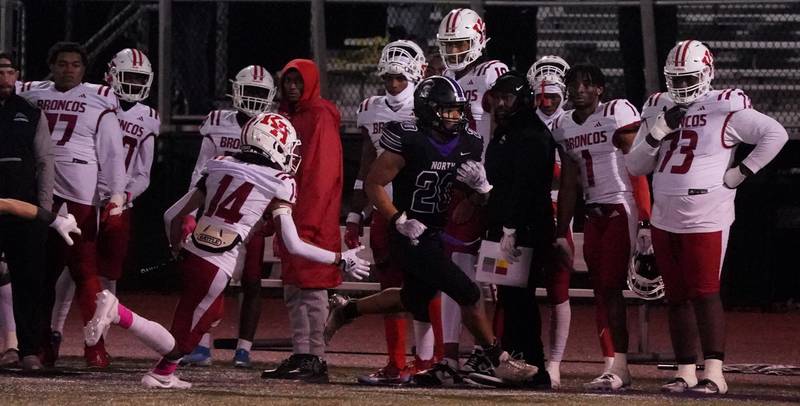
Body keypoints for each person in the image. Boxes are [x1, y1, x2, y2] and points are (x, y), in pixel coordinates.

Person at [83, 112, 369, 389]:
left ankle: (163, 373)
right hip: (217, 264)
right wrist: (339, 259)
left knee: (211, 313)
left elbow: (171, 215)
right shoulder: (279, 182)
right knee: (180, 342)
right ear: (273, 144)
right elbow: (293, 244)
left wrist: (175, 247)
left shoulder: (220, 165)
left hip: (195, 251)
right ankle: (118, 313)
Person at [325, 75, 539, 388]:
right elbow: (374, 183)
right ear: (429, 110)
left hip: (435, 231)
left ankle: (347, 311)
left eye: (458, 110)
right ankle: (498, 360)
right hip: (408, 232)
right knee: (468, 292)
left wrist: (481, 189)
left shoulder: (467, 141)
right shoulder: (410, 137)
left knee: (413, 299)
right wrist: (398, 219)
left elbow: (478, 200)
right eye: (448, 110)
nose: (456, 116)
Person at [626, 40, 788, 395]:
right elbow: (635, 164)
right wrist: (657, 132)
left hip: (706, 211)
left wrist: (741, 173)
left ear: (707, 74)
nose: (682, 86)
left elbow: (776, 134)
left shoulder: (725, 104)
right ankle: (684, 370)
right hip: (664, 209)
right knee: (676, 295)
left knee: (705, 291)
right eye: (676, 79)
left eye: (689, 78)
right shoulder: (658, 106)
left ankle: (714, 372)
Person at [18, 42, 127, 368]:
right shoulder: (31, 94)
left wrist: (116, 197)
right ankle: (41, 342)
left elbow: (112, 153)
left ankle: (95, 344)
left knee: (84, 270)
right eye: (62, 63)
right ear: (51, 66)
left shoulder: (99, 98)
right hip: (41, 193)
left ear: (84, 69)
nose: (69, 69)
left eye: (75, 64)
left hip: (81, 194)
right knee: (42, 273)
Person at [49, 48, 160, 351]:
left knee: (108, 273)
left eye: (140, 78)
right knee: (72, 270)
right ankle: (54, 332)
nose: (134, 84)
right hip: (82, 195)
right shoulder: (92, 97)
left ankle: (98, 339)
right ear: (111, 75)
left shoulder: (148, 116)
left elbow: (143, 173)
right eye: (129, 77)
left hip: (116, 204)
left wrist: (122, 197)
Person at [550, 64, 652, 391]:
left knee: (610, 286)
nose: (579, 89)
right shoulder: (564, 124)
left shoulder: (616, 111)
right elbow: (568, 184)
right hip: (592, 213)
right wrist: (560, 230)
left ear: (599, 89)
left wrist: (646, 220)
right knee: (601, 289)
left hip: (621, 207)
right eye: (574, 84)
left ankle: (620, 364)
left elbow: (638, 168)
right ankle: (612, 364)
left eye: (586, 84)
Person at [343, 40, 438, 385]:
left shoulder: (428, 103)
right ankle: (396, 362)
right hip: (385, 208)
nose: (394, 84)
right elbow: (366, 164)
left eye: (400, 77)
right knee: (389, 286)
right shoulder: (371, 108)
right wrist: (355, 215)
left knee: (427, 286)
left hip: (422, 208)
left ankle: (428, 360)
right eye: (388, 78)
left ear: (414, 74)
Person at [181, 65, 278, 368]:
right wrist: (191, 211)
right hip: (216, 212)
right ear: (236, 90)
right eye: (248, 91)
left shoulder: (274, 127)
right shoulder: (217, 122)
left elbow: (279, 175)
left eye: (259, 93)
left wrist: (270, 216)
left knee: (251, 281)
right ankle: (200, 343)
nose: (252, 98)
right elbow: (201, 170)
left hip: (251, 215)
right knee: (208, 278)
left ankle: (244, 348)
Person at [435, 7, 509, 375]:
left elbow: (498, 133)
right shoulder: (445, 77)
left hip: (491, 186)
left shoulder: (491, 73)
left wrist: (484, 188)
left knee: (495, 275)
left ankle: (492, 353)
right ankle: (449, 354)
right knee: (455, 272)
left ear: (478, 41)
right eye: (450, 44)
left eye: (461, 43)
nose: (455, 51)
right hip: (457, 186)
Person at [262, 59, 343, 383]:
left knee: (312, 290)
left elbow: (321, 173)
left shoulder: (320, 115)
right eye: (288, 82)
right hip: (293, 213)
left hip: (311, 215)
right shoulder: (289, 115)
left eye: (298, 81)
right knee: (295, 290)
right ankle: (302, 353)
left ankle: (316, 358)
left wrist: (305, 219)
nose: (293, 87)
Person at [482, 71, 555, 388]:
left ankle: (534, 367)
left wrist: (511, 227)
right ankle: (516, 363)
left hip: (525, 228)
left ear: (522, 99)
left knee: (520, 299)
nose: (500, 103)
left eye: (507, 97)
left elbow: (526, 185)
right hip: (507, 225)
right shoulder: (507, 130)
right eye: (497, 97)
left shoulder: (530, 133)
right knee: (509, 298)